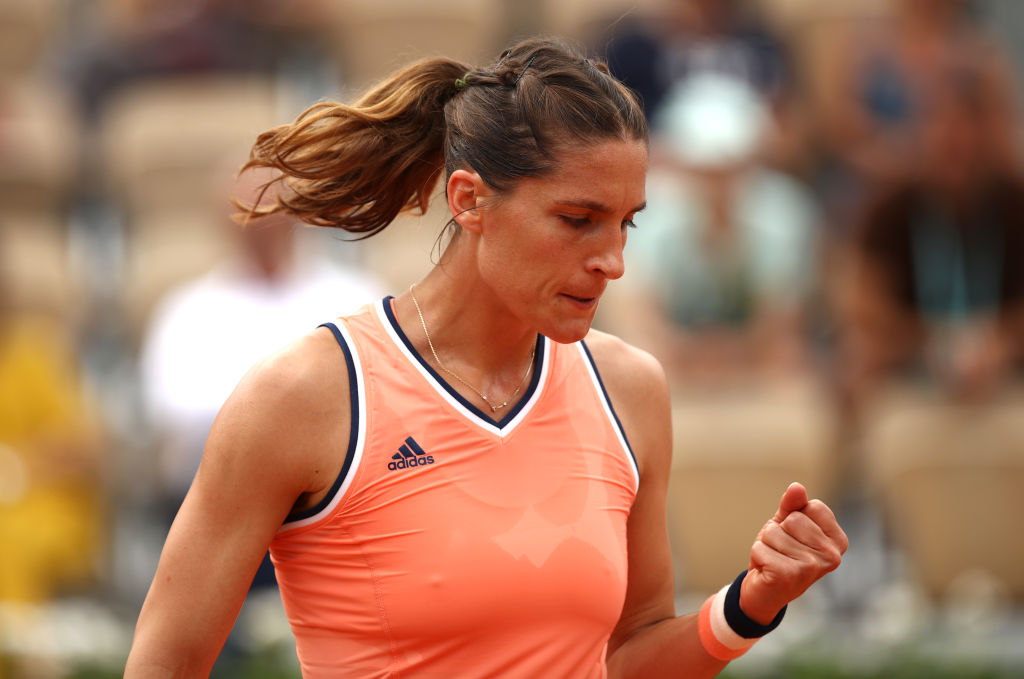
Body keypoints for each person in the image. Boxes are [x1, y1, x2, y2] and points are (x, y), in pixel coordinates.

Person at [124, 36, 847, 678]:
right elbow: (164, 664)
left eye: (626, 223)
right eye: (578, 219)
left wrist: (750, 604)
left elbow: (628, 658)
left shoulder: (630, 388)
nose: (614, 262)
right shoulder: (305, 394)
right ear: (468, 200)